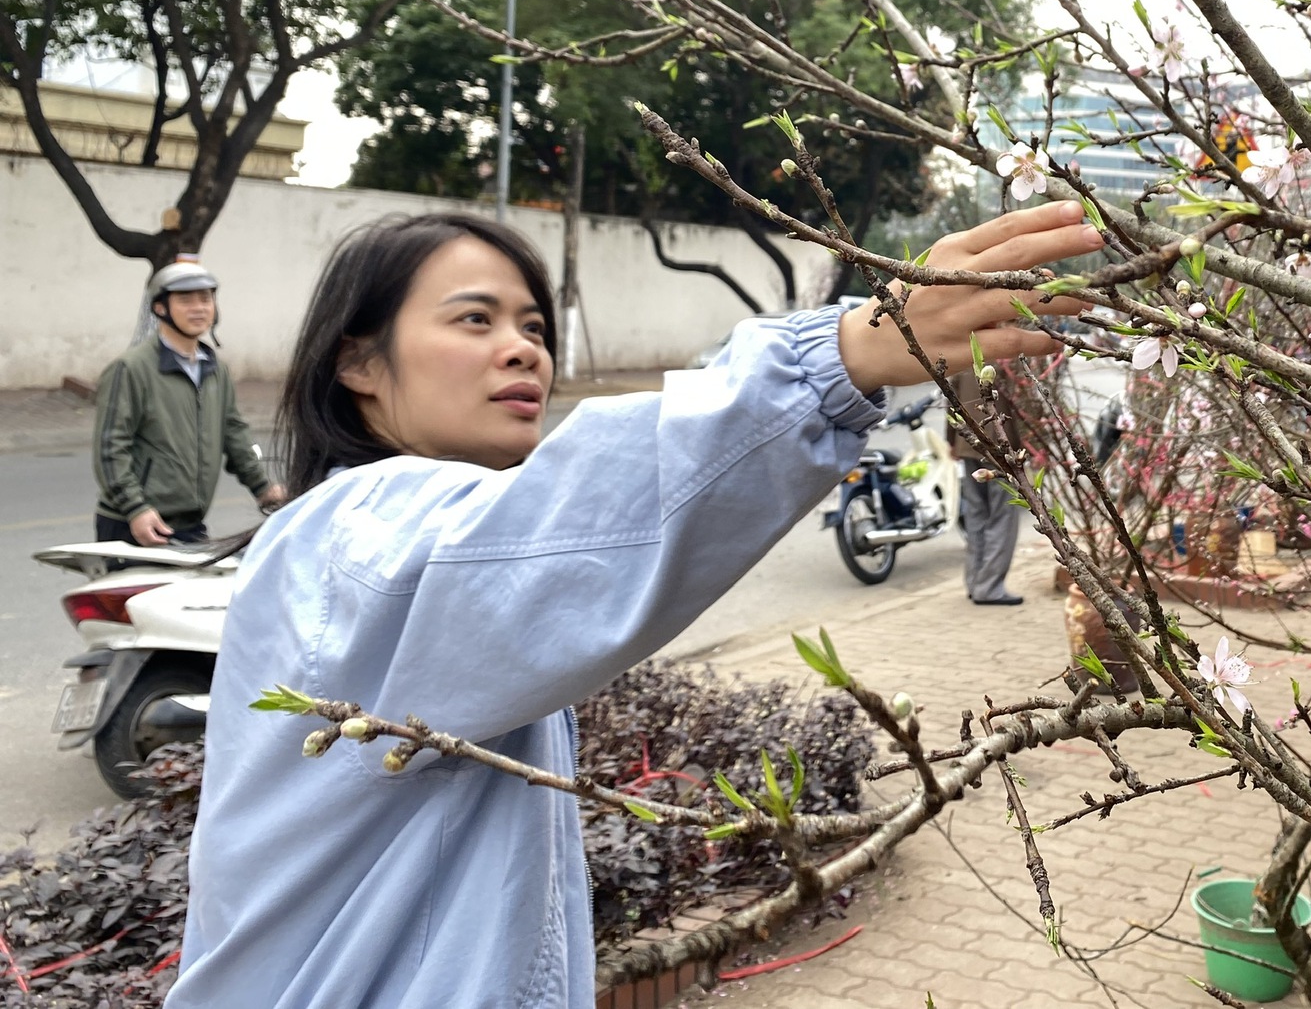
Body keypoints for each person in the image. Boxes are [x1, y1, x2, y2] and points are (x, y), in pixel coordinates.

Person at [166, 203, 1098, 1007]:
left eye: (533, 325)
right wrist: (844, 355)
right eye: (474, 318)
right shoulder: (361, 536)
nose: (521, 348)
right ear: (359, 363)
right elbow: (575, 524)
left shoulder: (360, 530)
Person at [92, 259, 286, 546]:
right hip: (134, 523)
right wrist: (135, 508)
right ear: (160, 308)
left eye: (206, 299)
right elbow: (110, 447)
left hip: (190, 524)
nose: (199, 308)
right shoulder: (131, 369)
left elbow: (234, 432)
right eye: (185, 300)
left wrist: (263, 486)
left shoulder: (215, 370)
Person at [948, 368, 1026, 606]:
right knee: (1003, 517)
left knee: (976, 515)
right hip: (999, 448)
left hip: (967, 442)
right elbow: (1022, 406)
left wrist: (952, 440)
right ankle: (989, 586)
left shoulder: (961, 357)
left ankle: (975, 581)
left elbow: (949, 397)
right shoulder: (1005, 358)